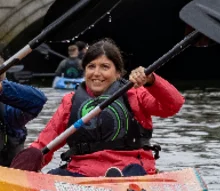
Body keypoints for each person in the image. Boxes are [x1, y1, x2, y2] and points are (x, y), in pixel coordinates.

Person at [11, 39, 183, 177]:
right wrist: (23, 167)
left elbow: (173, 105)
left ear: (118, 73)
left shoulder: (136, 94)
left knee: (127, 175)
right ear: (84, 71)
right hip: (80, 173)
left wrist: (152, 81)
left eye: (105, 67)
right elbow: (45, 142)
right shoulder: (71, 101)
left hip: (130, 171)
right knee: (54, 174)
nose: (96, 73)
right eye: (91, 66)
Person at [0, 57, 47, 167]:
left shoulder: (9, 109)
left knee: (33, 154)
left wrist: (1, 87)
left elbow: (39, 101)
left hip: (6, 173)